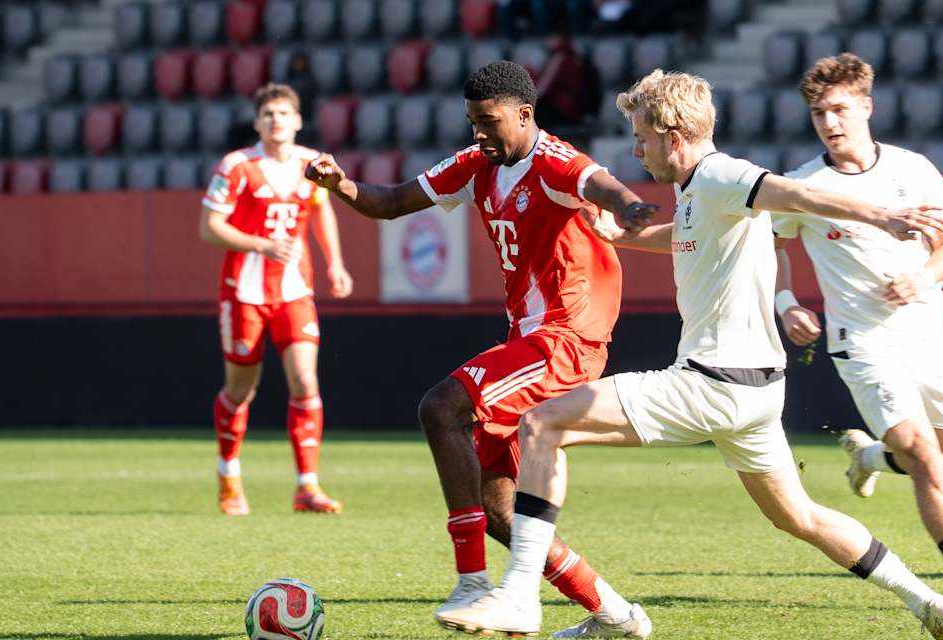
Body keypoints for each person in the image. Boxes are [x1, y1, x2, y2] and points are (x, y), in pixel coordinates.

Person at [435, 69, 943, 640]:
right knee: (801, 517)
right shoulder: (699, 191)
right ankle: (929, 602)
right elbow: (686, 235)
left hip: (711, 382)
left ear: (674, 139)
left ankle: (520, 596)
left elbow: (796, 195)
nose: (637, 152)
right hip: (756, 395)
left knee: (542, 423)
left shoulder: (722, 174)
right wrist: (622, 237)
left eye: (642, 139)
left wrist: (882, 216)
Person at [304, 61, 658, 637]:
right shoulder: (476, 165)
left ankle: (472, 582)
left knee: (440, 407)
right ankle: (614, 613)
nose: (479, 133)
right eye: (473, 121)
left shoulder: (553, 161)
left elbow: (597, 182)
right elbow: (390, 202)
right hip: (529, 341)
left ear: (525, 114)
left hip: (566, 339)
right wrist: (340, 184)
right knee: (499, 510)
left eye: (489, 122)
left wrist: (625, 205)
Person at [772, 53, 943, 614]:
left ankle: (870, 457)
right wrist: (786, 303)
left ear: (866, 107)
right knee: (927, 460)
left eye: (839, 109)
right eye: (818, 113)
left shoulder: (913, 169)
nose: (830, 122)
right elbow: (773, 246)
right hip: (861, 343)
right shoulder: (804, 185)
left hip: (928, 336)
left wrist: (923, 277)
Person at [199, 83, 354, 516]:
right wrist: (261, 245)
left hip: (294, 291)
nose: (276, 120)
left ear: (298, 120)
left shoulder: (311, 164)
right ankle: (228, 475)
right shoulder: (237, 166)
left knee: (305, 380)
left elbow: (321, 208)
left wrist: (335, 264)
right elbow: (209, 228)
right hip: (244, 293)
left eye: (284, 113)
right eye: (268, 114)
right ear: (257, 122)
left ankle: (307, 486)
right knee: (240, 390)